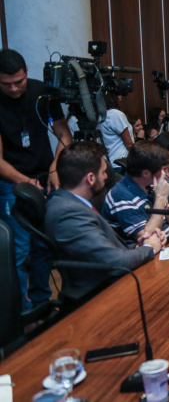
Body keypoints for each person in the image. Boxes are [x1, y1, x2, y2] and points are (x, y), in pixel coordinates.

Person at [0, 48, 72, 309]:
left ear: (27, 72)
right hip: (11, 181)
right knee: (18, 249)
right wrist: (24, 181)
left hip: (45, 176)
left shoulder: (42, 92)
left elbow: (64, 135)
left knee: (44, 244)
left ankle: (41, 303)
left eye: (18, 82)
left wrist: (55, 166)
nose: (13, 88)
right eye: (6, 84)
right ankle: (22, 311)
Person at [44, 142, 162, 294]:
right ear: (91, 178)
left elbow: (102, 250)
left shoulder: (70, 203)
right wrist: (149, 248)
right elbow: (115, 262)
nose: (106, 177)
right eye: (103, 172)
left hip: (116, 279)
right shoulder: (68, 213)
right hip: (103, 293)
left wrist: (139, 245)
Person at [102, 141, 169, 244]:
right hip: (151, 250)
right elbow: (147, 238)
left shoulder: (149, 185)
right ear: (146, 173)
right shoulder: (121, 196)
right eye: (163, 169)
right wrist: (161, 197)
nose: (165, 174)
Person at [99, 93, 134, 168]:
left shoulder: (101, 115)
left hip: (108, 162)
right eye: (118, 93)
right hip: (121, 162)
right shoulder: (116, 114)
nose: (121, 96)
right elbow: (129, 144)